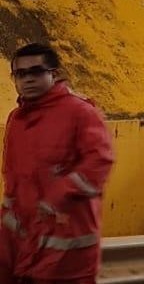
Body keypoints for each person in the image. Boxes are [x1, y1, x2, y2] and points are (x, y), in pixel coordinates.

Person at [1, 43, 115, 284]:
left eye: (36, 71)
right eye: (21, 74)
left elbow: (99, 162)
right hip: (24, 239)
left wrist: (57, 196)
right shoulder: (16, 119)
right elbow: (12, 174)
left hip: (68, 243)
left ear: (54, 73)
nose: (28, 79)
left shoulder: (81, 112)